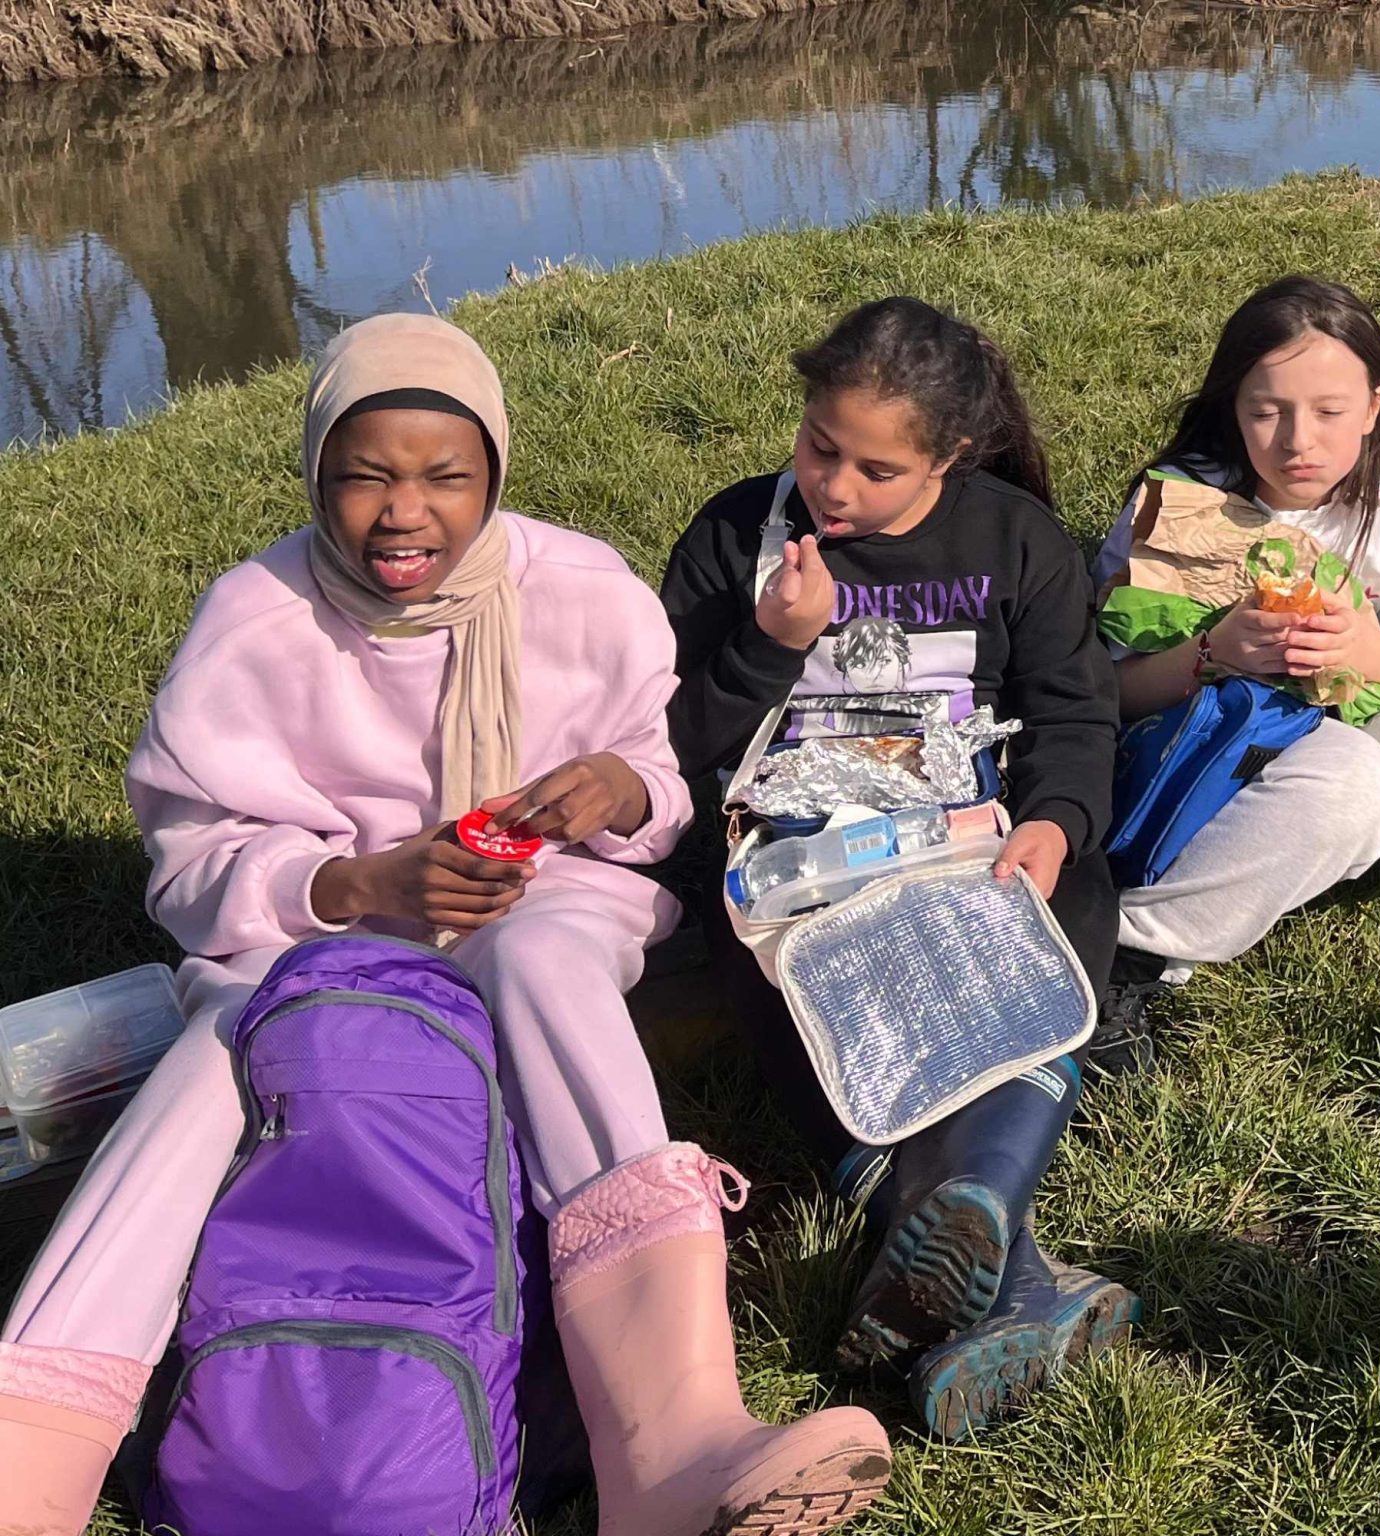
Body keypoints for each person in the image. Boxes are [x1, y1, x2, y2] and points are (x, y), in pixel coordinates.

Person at [0, 314, 890, 1536]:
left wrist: (618, 790)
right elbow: (191, 868)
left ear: (495, 475)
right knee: (211, 1066)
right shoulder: (254, 621)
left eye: (446, 477)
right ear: (316, 473)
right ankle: (28, 1461)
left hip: (545, 898)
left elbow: (658, 779)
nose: (404, 513)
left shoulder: (581, 590)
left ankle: (674, 1435)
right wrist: (360, 886)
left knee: (545, 966)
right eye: (364, 476)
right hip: (308, 940)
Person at [661, 296, 1140, 1439]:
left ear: (951, 455)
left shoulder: (1015, 541)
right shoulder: (735, 536)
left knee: (1071, 902)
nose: (834, 487)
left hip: (970, 841)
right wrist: (771, 645)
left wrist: (1054, 823)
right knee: (780, 969)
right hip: (793, 863)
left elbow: (1076, 715)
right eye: (819, 446)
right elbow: (668, 740)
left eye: (877, 470)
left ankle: (957, 1213)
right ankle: (1005, 1265)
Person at [1092, 276, 1380, 1065]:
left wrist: (1365, 648)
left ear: (1373, 407)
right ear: (1232, 406)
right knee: (1352, 775)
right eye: (1267, 412)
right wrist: (1212, 652)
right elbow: (1105, 694)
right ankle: (1137, 951)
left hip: (1359, 712)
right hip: (1231, 744)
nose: (1299, 441)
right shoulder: (1178, 505)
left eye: (1330, 412)